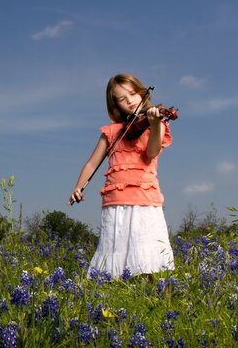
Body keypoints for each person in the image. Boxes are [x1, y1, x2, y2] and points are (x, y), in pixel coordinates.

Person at [69, 73, 174, 279]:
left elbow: (151, 152)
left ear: (142, 93)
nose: (130, 101)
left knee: (147, 255)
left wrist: (153, 125)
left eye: (133, 94)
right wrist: (79, 186)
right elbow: (92, 163)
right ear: (115, 105)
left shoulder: (156, 124)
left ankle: (154, 300)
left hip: (145, 200)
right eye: (122, 99)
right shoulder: (112, 132)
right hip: (115, 201)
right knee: (114, 253)